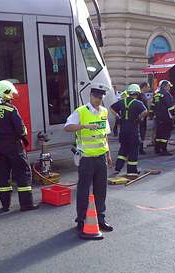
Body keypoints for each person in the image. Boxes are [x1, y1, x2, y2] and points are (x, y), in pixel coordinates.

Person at [64, 84, 114, 234]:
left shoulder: (104, 111)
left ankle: (100, 218)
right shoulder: (81, 111)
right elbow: (67, 127)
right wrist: (83, 126)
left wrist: (108, 154)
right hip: (86, 158)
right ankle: (80, 219)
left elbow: (104, 135)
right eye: (96, 97)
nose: (99, 100)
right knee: (83, 190)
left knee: (101, 189)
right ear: (90, 96)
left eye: (101, 98)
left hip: (100, 158)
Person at [0, 80, 39, 212]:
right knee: (23, 173)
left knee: (3, 174)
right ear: (6, 93)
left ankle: (5, 205)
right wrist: (23, 132)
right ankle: (26, 205)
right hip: (13, 145)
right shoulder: (10, 109)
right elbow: (20, 129)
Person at [110, 84, 148, 177]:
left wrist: (118, 116)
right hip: (133, 131)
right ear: (137, 93)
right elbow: (145, 111)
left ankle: (118, 168)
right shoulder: (138, 103)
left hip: (123, 131)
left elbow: (111, 108)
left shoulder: (122, 101)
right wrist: (140, 118)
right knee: (133, 150)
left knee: (123, 148)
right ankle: (132, 171)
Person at [151, 80, 175, 156]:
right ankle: (164, 150)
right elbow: (170, 106)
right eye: (169, 86)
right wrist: (173, 115)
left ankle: (157, 148)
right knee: (166, 134)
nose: (169, 88)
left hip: (158, 117)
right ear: (165, 86)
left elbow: (153, 105)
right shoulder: (167, 94)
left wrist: (151, 114)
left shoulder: (156, 94)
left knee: (159, 133)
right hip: (166, 117)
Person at [139, 82, 151, 154]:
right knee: (141, 132)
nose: (149, 89)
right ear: (144, 87)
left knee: (142, 132)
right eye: (148, 87)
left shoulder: (143, 95)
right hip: (141, 118)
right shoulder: (140, 95)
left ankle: (140, 147)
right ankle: (140, 148)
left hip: (144, 117)